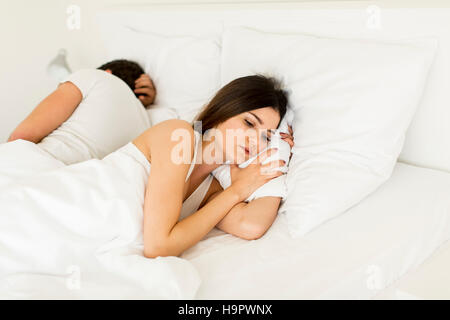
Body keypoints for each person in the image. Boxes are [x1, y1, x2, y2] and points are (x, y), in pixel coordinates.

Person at [0, 75, 294, 264]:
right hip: (65, 206)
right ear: (222, 111)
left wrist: (278, 158)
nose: (256, 140)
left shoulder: (213, 192)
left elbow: (251, 225)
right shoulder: (177, 136)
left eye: (267, 137)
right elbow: (159, 246)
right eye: (249, 123)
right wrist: (239, 190)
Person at [7, 59, 156, 164]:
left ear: (108, 72)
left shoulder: (94, 76)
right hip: (76, 186)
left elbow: (20, 137)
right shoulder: (146, 125)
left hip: (36, 163)